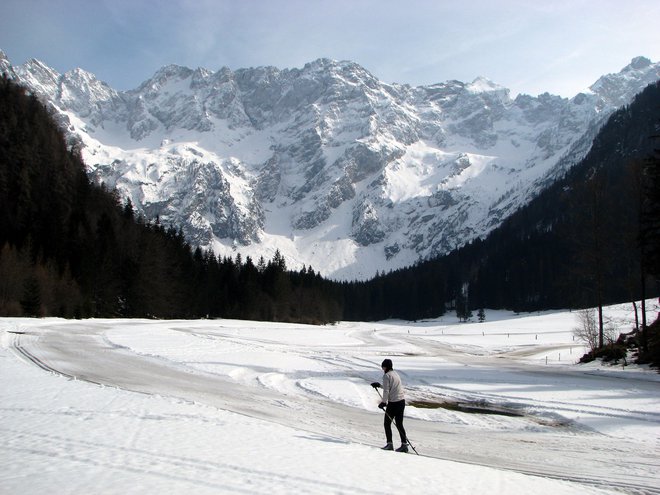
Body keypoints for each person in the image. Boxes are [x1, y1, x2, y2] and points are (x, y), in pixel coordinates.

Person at [371, 358, 408, 452]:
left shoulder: (387, 376)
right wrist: (379, 386)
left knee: (387, 423)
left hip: (394, 403)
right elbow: (391, 387)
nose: (383, 369)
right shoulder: (395, 374)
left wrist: (384, 402)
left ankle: (389, 444)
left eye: (383, 367)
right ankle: (404, 445)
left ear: (385, 367)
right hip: (401, 402)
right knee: (399, 424)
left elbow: (387, 390)